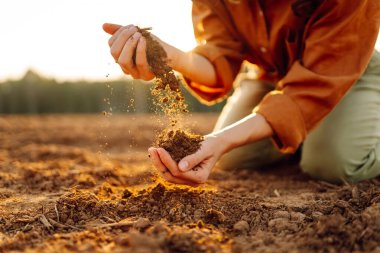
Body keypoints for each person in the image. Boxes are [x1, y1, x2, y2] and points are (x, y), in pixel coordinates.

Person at [103, 0, 380, 186]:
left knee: (333, 165)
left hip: (340, 72)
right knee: (235, 157)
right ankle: (306, 133)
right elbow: (219, 58)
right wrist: (172, 58)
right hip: (272, 75)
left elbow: (312, 88)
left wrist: (221, 139)